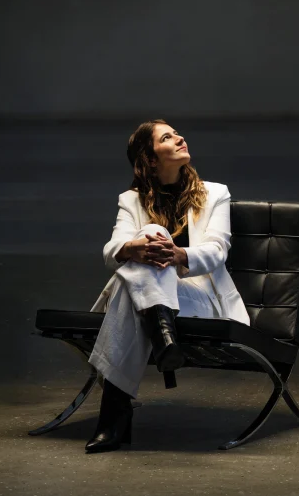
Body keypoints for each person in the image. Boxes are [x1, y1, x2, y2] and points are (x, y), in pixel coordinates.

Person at [83, 119, 252, 453]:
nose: (179, 138)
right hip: (156, 298)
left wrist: (178, 255)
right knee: (149, 238)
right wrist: (132, 248)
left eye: (177, 134)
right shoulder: (130, 200)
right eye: (167, 137)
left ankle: (114, 414)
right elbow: (112, 250)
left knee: (145, 255)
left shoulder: (215, 193)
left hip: (200, 299)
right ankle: (163, 335)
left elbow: (218, 250)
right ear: (150, 158)